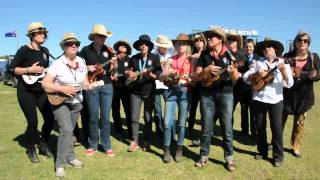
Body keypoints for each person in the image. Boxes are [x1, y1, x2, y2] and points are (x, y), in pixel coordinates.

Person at [42, 32, 100, 177]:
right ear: (64, 47)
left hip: (76, 103)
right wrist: (62, 88)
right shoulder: (57, 64)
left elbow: (85, 82)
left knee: (69, 131)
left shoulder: (81, 61)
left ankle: (71, 157)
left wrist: (90, 85)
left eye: (76, 44)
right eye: (69, 43)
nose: (73, 46)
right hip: (59, 101)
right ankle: (60, 164)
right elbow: (45, 84)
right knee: (66, 131)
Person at [243, 37, 294, 167]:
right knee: (260, 127)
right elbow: (245, 78)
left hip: (276, 100)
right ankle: (263, 152)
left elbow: (289, 84)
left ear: (275, 49)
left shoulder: (284, 63)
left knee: (276, 128)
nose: (266, 49)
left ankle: (278, 156)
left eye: (269, 47)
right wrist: (257, 75)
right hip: (259, 99)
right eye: (264, 48)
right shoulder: (257, 62)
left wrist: (283, 72)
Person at [11, 22, 54, 163]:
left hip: (41, 91)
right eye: (38, 33)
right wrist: (29, 70)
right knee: (33, 121)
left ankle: (43, 142)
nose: (42, 35)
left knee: (50, 118)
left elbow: (45, 70)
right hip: (26, 91)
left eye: (43, 33)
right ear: (31, 35)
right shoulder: (24, 50)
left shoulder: (45, 51)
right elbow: (12, 69)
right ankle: (30, 148)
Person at [80, 24, 116, 157]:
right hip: (91, 85)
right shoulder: (85, 50)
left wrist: (114, 65)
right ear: (94, 37)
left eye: (105, 36)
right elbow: (78, 66)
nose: (103, 38)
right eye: (101, 36)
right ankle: (92, 144)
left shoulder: (109, 50)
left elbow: (113, 71)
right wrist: (87, 67)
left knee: (106, 117)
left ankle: (107, 145)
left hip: (107, 85)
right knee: (93, 116)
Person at [282, 31, 320, 158]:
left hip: (305, 97)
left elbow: (318, 75)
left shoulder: (314, 57)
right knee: (279, 122)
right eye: (300, 40)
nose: (302, 42)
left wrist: (312, 76)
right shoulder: (287, 56)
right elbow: (282, 72)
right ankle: (276, 142)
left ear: (309, 43)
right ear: (296, 42)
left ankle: (295, 146)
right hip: (287, 95)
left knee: (299, 124)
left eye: (305, 41)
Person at [160, 33, 193, 163]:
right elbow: (162, 78)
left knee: (181, 124)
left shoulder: (192, 59)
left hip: (185, 92)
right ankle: (166, 149)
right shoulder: (170, 59)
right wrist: (166, 73)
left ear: (187, 45)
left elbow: (195, 81)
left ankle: (179, 149)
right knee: (167, 123)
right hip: (171, 92)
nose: (180, 45)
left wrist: (189, 80)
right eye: (178, 43)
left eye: (183, 43)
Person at [126, 34, 162, 152]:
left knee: (147, 118)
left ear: (149, 46)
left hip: (149, 91)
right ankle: (135, 141)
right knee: (134, 117)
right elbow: (129, 71)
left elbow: (158, 74)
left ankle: (147, 140)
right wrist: (129, 74)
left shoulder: (155, 58)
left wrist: (151, 75)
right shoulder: (134, 58)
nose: (144, 46)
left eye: (146, 44)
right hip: (135, 91)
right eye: (141, 44)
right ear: (138, 46)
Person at [153, 35, 174, 137]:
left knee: (170, 109)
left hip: (168, 84)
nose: (164, 48)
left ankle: (171, 132)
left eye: (165, 46)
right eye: (162, 46)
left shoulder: (171, 54)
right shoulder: (153, 55)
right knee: (157, 110)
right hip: (157, 84)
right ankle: (159, 131)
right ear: (158, 46)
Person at [112, 39, 132, 139]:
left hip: (126, 87)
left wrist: (129, 74)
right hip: (114, 87)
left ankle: (130, 130)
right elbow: (110, 71)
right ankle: (118, 130)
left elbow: (132, 72)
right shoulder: (113, 58)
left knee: (128, 110)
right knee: (115, 110)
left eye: (125, 45)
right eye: (121, 45)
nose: (123, 46)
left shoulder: (130, 59)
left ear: (127, 49)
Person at [189, 34, 207, 147]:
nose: (198, 43)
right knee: (193, 107)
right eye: (196, 41)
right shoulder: (193, 56)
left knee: (204, 110)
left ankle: (204, 132)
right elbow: (191, 70)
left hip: (205, 84)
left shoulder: (207, 53)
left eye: (201, 40)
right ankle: (190, 129)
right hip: (195, 84)